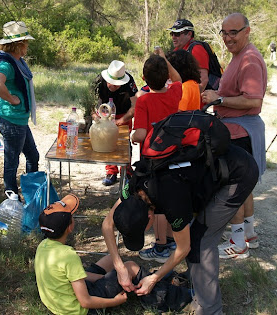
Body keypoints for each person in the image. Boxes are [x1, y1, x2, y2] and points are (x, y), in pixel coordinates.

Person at [102, 144, 259, 314]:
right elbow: (107, 224)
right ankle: (197, 283)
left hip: (238, 173)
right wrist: (119, 267)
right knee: (195, 233)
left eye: (142, 231)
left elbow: (184, 248)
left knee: (201, 242)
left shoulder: (171, 201)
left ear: (149, 217)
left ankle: (210, 309)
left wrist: (154, 278)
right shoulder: (133, 187)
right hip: (210, 168)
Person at [35, 194, 192, 314]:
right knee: (130, 267)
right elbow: (85, 301)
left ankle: (142, 280)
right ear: (70, 227)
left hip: (63, 303)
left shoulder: (43, 246)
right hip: (81, 310)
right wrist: (115, 301)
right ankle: (177, 297)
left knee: (110, 259)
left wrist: (104, 279)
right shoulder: (68, 255)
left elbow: (71, 276)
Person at [202, 13, 267, 259]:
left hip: (240, 131)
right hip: (239, 128)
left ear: (247, 31)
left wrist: (218, 99)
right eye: (224, 32)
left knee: (235, 186)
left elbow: (253, 99)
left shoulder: (249, 60)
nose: (228, 38)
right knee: (246, 183)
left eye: (234, 32)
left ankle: (238, 243)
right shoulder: (239, 56)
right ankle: (249, 233)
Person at [130, 49, 182, 262]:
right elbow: (178, 78)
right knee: (169, 198)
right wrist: (166, 61)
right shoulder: (174, 93)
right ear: (167, 77)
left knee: (157, 203)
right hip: (174, 154)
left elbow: (141, 134)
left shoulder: (144, 101)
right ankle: (170, 240)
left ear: (143, 78)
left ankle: (161, 246)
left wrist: (133, 134)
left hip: (153, 159)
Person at [0, 21, 39, 195]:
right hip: (11, 121)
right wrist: (12, 99)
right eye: (26, 42)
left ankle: (32, 190)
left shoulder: (18, 61)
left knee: (33, 156)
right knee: (12, 161)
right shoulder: (7, 64)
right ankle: (11, 195)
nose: (27, 46)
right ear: (19, 45)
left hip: (20, 121)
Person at [93, 60, 138, 186]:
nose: (114, 87)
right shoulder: (98, 81)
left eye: (118, 84)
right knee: (107, 142)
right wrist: (96, 117)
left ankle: (127, 171)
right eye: (112, 84)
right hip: (104, 114)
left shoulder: (129, 81)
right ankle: (111, 171)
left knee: (124, 143)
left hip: (124, 114)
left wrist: (122, 120)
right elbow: (90, 104)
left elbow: (135, 105)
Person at [167, 19, 209, 92]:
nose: (173, 37)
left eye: (177, 34)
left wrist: (189, 96)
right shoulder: (177, 50)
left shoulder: (197, 49)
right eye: (172, 33)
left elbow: (203, 80)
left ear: (189, 34)